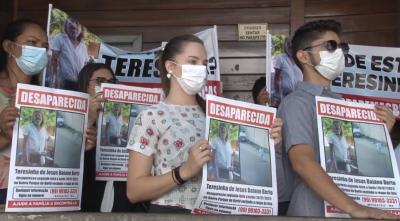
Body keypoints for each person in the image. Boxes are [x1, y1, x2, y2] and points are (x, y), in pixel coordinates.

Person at [277, 19, 399, 219]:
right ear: (304, 56)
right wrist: (355, 208)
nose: (339, 53)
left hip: (350, 208)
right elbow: (302, 161)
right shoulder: (296, 103)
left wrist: (380, 134)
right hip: (313, 211)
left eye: (341, 47)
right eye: (330, 46)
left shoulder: (340, 102)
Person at [76, 63, 147, 212]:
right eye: (100, 81)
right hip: (87, 202)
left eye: (112, 82)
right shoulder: (76, 119)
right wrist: (90, 119)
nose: (107, 86)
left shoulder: (123, 116)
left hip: (124, 201)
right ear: (84, 86)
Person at [0, 19, 48, 206]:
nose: (39, 50)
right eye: (31, 43)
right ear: (9, 46)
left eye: (44, 46)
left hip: (38, 191)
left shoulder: (47, 96)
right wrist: (4, 133)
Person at [50, 16, 89, 90]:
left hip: (80, 83)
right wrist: (53, 80)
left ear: (81, 29)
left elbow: (85, 65)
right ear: (66, 27)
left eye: (76, 26)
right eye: (71, 27)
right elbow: (54, 60)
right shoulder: (60, 38)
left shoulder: (83, 45)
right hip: (65, 82)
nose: (74, 29)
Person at [271, 38, 303, 107]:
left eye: (292, 43)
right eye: (288, 43)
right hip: (285, 97)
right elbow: (276, 79)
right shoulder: (281, 58)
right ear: (285, 46)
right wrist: (278, 97)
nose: (290, 45)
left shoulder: (300, 60)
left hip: (299, 97)